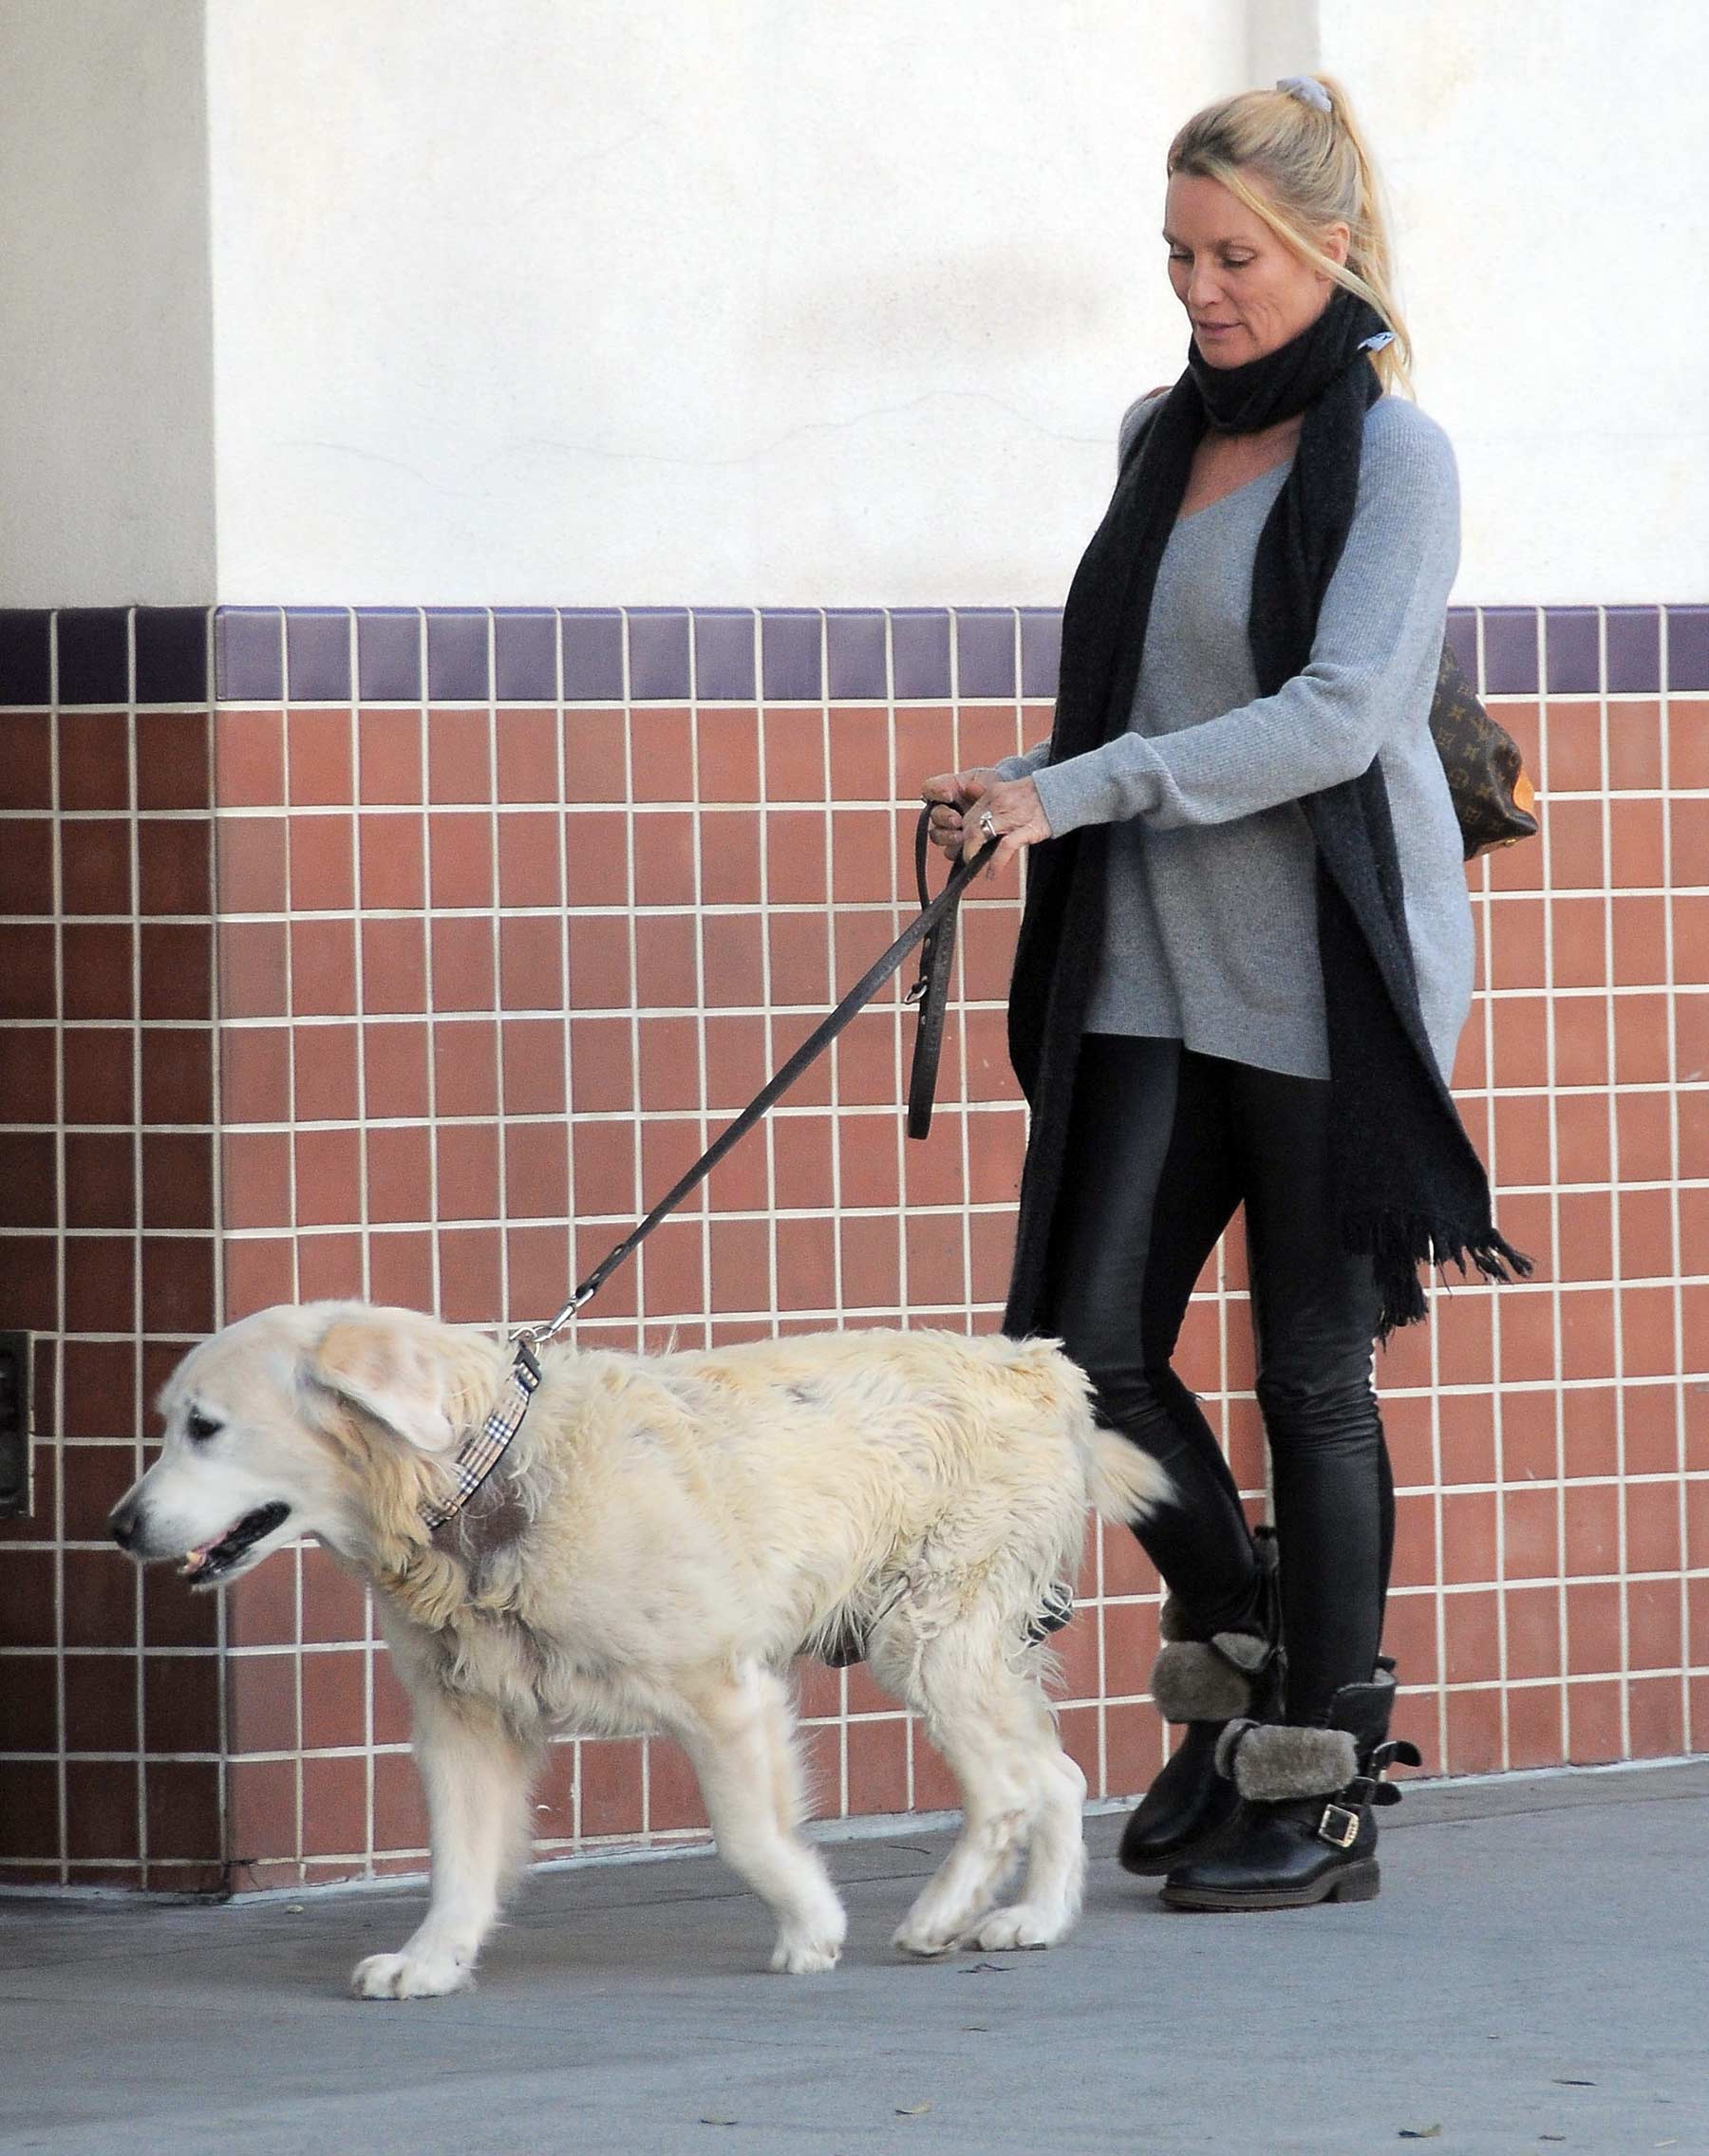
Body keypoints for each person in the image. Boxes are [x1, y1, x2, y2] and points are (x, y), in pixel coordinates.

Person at [920, 74, 1525, 1912]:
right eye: (1178, 254)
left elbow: (1339, 716)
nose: (1200, 288)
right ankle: (1249, 1643)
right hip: (1153, 969)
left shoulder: (1395, 457)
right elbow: (1142, 712)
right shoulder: (1154, 435)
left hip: (1332, 976)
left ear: (1328, 249)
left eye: (1234, 255)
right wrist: (1020, 783)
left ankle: (1319, 1776)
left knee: (1311, 1378)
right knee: (1086, 1351)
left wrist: (1076, 790)